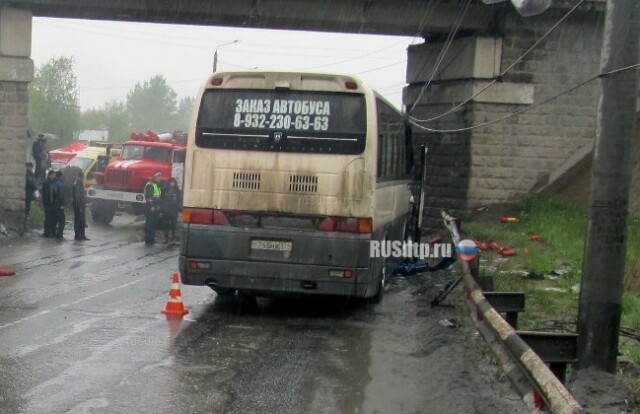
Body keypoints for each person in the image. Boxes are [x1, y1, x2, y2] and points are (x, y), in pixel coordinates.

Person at [144, 171, 163, 245]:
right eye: (158, 177)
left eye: (160, 176)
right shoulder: (150, 185)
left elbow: (159, 197)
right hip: (150, 208)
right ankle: (148, 240)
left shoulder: (157, 185)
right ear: (154, 177)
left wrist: (159, 207)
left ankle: (151, 239)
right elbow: (149, 197)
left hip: (156, 207)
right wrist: (152, 206)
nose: (160, 178)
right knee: (149, 224)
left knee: (153, 224)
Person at [161, 177, 182, 243]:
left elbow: (180, 200)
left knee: (173, 225)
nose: (172, 183)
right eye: (171, 182)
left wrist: (179, 208)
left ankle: (173, 238)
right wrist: (162, 209)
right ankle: (166, 238)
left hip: (174, 211)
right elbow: (161, 199)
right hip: (166, 211)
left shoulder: (177, 190)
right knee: (166, 225)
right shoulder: (165, 189)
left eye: (173, 182)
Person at [72, 172, 89, 241]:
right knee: (78, 221)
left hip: (81, 205)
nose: (83, 179)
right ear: (80, 177)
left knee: (82, 221)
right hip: (78, 205)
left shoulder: (80, 183)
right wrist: (79, 207)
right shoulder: (77, 184)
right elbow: (77, 196)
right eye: (82, 177)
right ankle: (78, 236)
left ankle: (82, 236)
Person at [41, 169, 58, 238]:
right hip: (48, 203)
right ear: (50, 175)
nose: (54, 176)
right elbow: (45, 194)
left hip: (53, 204)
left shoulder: (54, 183)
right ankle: (47, 232)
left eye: (55, 175)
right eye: (53, 175)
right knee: (48, 218)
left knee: (53, 218)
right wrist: (45, 203)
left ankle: (52, 232)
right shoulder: (46, 183)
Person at [25, 162, 37, 230]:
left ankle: (25, 225)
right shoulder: (27, 174)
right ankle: (24, 225)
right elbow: (30, 183)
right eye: (31, 167)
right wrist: (35, 186)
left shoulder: (31, 174)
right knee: (26, 209)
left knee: (27, 209)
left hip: (29, 194)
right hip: (27, 193)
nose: (32, 169)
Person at [53, 170, 66, 240]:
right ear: (61, 176)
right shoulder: (60, 183)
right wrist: (62, 204)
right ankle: (60, 235)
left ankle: (54, 233)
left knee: (55, 220)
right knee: (62, 221)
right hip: (59, 205)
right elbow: (61, 195)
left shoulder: (54, 182)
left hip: (54, 204)